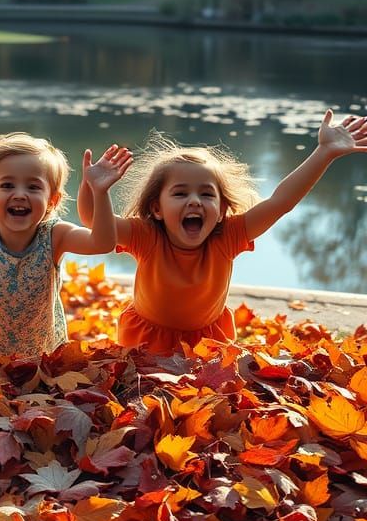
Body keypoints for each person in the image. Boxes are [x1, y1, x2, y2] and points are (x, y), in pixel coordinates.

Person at [77, 111, 367, 355]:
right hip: (146, 339)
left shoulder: (228, 236)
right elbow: (93, 221)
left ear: (222, 208)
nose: (194, 201)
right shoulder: (147, 235)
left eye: (206, 194)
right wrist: (95, 189)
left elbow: (281, 202)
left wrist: (324, 152)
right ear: (156, 208)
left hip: (208, 341)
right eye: (180, 193)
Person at [0, 132, 131, 357]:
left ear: (52, 200)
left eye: (33, 187)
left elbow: (101, 243)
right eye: (7, 185)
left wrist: (100, 192)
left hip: (40, 355)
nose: (20, 194)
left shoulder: (55, 236)